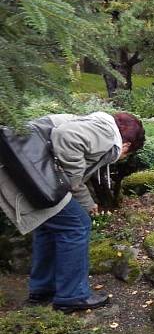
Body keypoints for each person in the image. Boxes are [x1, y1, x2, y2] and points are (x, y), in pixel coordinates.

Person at [0, 111, 146, 312]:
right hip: (30, 173)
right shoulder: (106, 133)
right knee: (77, 224)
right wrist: (72, 178)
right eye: (126, 154)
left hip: (22, 169)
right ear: (127, 145)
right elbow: (66, 135)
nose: (121, 157)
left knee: (50, 226)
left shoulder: (96, 124)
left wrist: (85, 200)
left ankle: (43, 290)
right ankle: (72, 296)